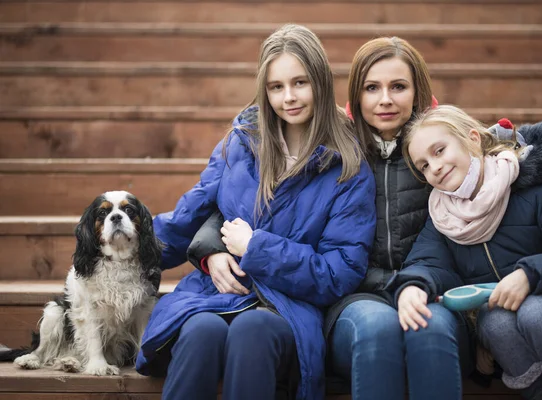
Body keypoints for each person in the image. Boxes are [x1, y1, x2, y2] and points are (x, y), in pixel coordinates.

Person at [135, 24, 377, 400]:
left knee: (252, 331)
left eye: (300, 83)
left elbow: (339, 271)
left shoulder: (347, 168)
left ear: (321, 82)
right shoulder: (241, 142)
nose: (289, 98)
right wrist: (136, 254)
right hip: (217, 292)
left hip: (287, 306)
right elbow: (192, 211)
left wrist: (256, 248)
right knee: (200, 332)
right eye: (276, 87)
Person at [388, 104, 542, 399]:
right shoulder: (443, 217)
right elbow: (427, 262)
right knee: (496, 319)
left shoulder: (537, 193)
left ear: (473, 139)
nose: (433, 167)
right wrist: (412, 286)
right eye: (423, 165)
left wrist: (530, 275)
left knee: (537, 311)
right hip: (506, 330)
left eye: (439, 151)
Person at [325, 37, 472, 400]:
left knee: (428, 327)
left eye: (398, 87)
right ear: (356, 97)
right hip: (355, 301)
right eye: (372, 88)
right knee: (377, 328)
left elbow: (513, 174)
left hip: (437, 295)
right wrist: (215, 244)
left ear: (417, 92)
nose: (385, 99)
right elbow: (242, 191)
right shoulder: (333, 154)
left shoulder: (442, 151)